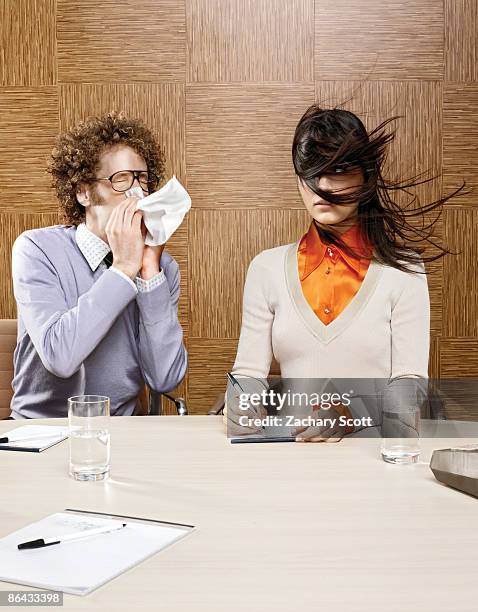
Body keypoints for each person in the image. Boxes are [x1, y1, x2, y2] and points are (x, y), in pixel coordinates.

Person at [226, 105, 462, 441]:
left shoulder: (404, 271)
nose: (321, 185)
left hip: (374, 463)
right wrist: (241, 402)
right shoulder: (266, 268)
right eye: (310, 171)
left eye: (336, 169)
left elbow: (409, 386)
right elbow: (248, 372)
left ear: (366, 176)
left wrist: (348, 414)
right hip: (290, 457)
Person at [10, 112, 187, 418]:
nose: (136, 193)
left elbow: (165, 378)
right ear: (83, 192)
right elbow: (60, 357)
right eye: (120, 180)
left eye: (142, 179)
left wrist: (147, 274)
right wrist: (122, 269)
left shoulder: (160, 270)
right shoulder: (37, 250)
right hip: (40, 431)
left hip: (122, 431)